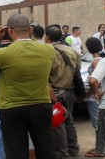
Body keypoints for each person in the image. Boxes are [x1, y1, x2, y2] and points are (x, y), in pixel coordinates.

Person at [0, 14, 57, 159]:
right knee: (46, 148)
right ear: (29, 29)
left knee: (16, 151)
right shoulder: (48, 50)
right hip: (40, 105)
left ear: (9, 30)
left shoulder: (3, 53)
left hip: (12, 108)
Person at [45, 25, 80, 158]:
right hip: (71, 91)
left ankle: (62, 154)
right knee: (69, 121)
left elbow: (46, 75)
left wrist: (52, 96)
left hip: (55, 92)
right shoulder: (73, 51)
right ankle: (73, 150)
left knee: (57, 124)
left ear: (47, 38)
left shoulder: (49, 52)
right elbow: (77, 71)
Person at [84, 37, 105, 158]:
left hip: (95, 97)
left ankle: (100, 149)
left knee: (97, 123)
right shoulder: (102, 58)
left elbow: (96, 81)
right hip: (97, 96)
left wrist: (86, 95)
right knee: (99, 122)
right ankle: (100, 146)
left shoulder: (96, 61)